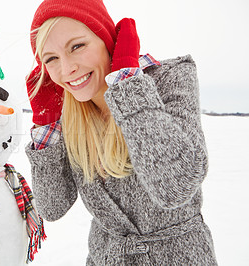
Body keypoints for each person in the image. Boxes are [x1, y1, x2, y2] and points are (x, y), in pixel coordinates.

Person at [24, 0, 218, 265]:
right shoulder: (70, 115)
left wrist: (127, 83)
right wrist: (47, 126)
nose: (67, 68)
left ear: (106, 39)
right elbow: (52, 207)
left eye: (77, 46)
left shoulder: (170, 79)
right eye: (51, 59)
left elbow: (176, 187)